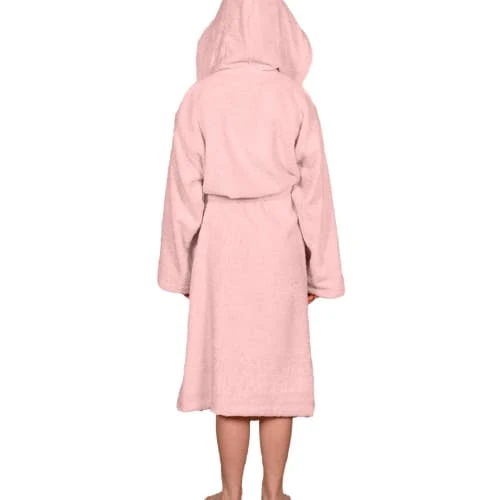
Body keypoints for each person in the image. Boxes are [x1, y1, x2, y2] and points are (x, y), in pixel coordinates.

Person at [157, 0, 345, 499]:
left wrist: (180, 270)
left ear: (220, 31)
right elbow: (315, 195)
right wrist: (321, 273)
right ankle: (275, 491)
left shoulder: (199, 98)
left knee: (231, 372)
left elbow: (182, 193)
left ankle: (230, 491)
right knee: (280, 370)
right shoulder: (294, 99)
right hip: (279, 243)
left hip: (221, 246)